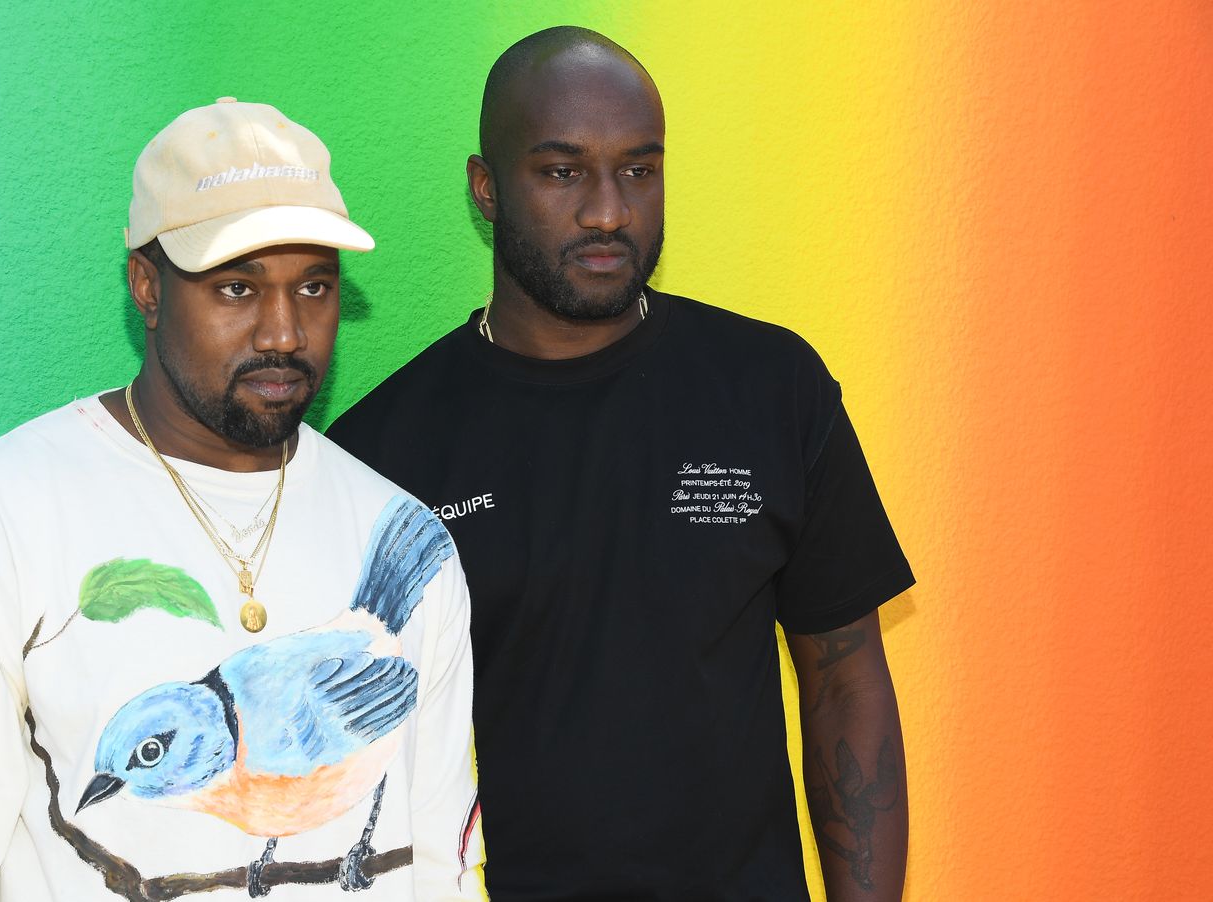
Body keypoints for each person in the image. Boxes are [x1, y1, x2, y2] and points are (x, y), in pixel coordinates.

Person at [0, 98, 485, 902]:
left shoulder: (406, 533)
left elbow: (445, 864)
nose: (284, 332)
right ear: (147, 285)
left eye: (314, 286)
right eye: (237, 288)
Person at [328, 27, 913, 902]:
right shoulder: (384, 453)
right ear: (486, 188)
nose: (608, 210)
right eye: (563, 171)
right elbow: (359, 761)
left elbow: (846, 678)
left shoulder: (770, 386)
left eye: (639, 169)